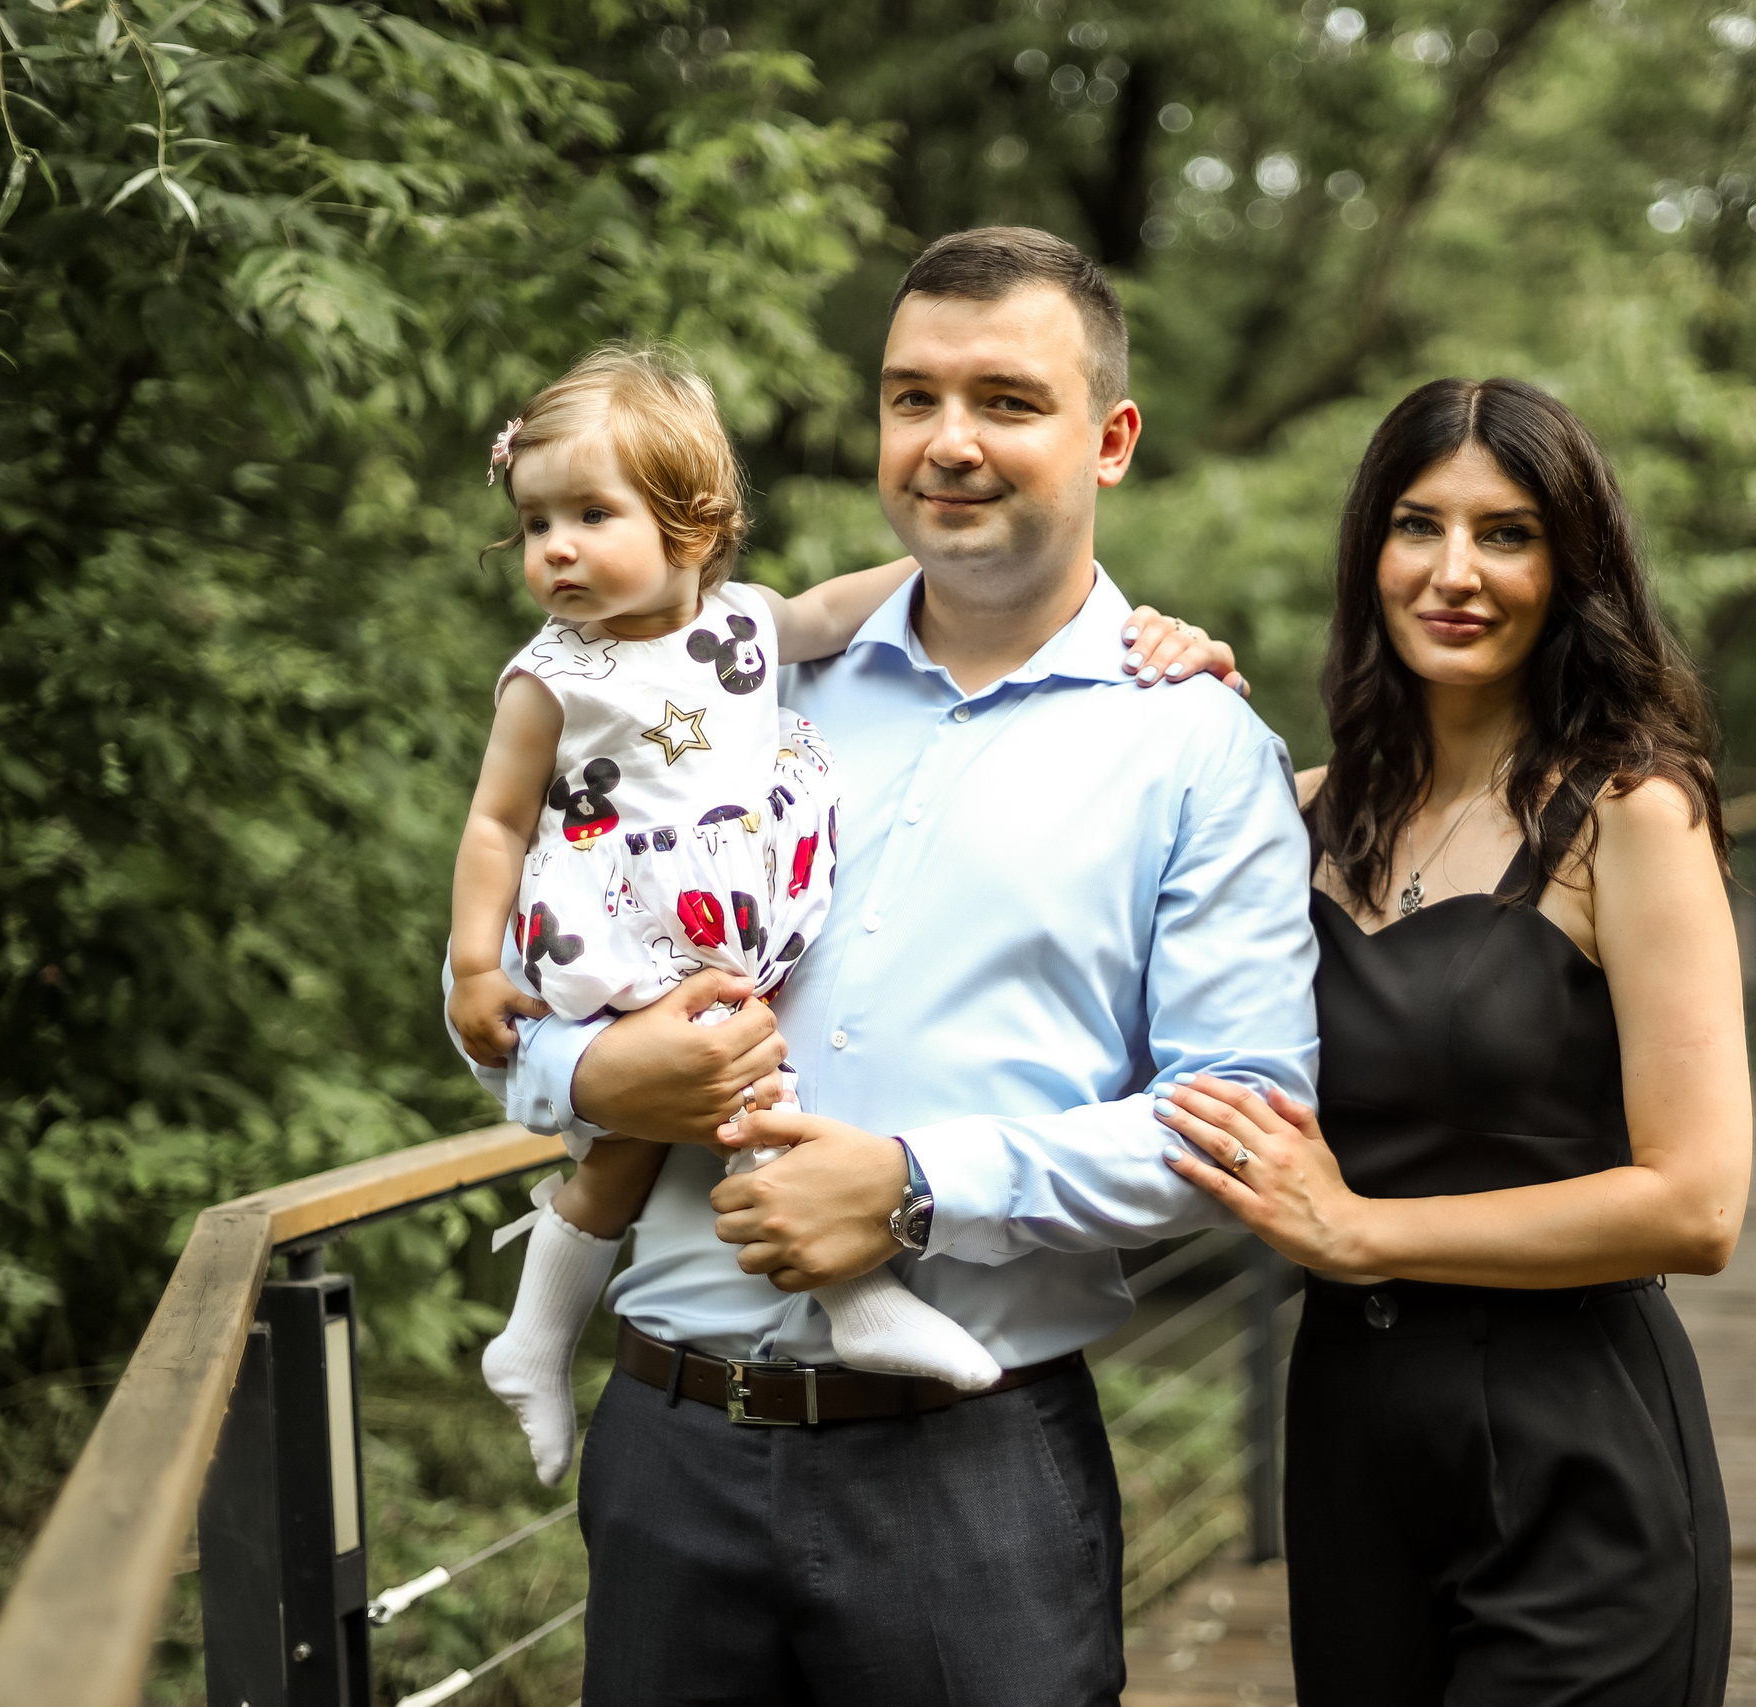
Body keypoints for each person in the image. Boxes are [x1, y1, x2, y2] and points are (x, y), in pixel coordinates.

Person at [467, 228, 1318, 1706]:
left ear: (1109, 438)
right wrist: (593, 1071)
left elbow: (1239, 1112)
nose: (949, 443)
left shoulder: (1192, 745)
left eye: (1006, 399)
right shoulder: (728, 678)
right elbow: (516, 955)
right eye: (911, 397)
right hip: (670, 1444)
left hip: (970, 1478)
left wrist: (917, 1180)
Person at [1155, 377, 1749, 1704]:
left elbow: (1700, 1203)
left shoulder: (1631, 812)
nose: (1456, 571)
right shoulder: (1285, 817)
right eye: (1419, 525)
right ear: (1372, 548)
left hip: (1571, 1440)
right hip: (1351, 1431)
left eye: (1508, 532)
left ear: (1571, 563)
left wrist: (1360, 1230)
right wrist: (1141, 694)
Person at [446, 347, 1014, 1487]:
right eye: (535, 521)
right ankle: (856, 1300)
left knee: (624, 1150)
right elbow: (496, 827)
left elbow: (830, 608)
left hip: (724, 920)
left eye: (589, 515)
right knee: (745, 1087)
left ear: (692, 530)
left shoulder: (745, 628)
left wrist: (937, 572)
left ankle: (535, 1335)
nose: (554, 546)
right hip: (621, 927)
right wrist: (471, 966)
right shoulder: (553, 678)